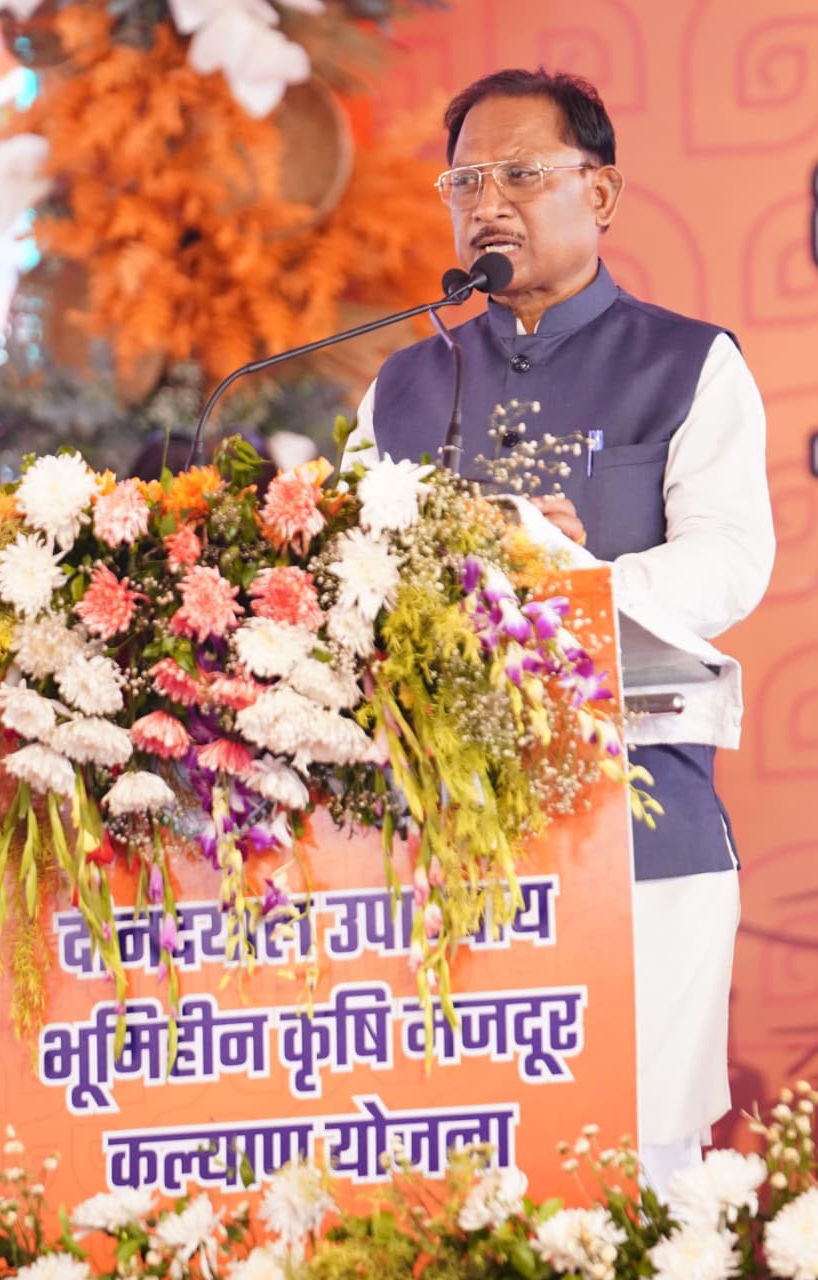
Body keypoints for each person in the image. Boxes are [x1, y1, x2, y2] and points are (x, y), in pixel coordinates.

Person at [347, 68, 775, 1196]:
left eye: (521, 174)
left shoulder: (687, 362)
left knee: (635, 1168)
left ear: (602, 192)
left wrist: (571, 578)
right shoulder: (401, 385)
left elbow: (731, 563)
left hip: (640, 830)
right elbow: (350, 586)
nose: (487, 203)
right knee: (451, 1170)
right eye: (464, 181)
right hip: (436, 849)